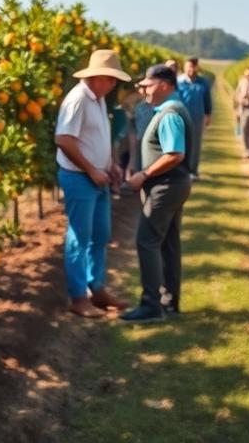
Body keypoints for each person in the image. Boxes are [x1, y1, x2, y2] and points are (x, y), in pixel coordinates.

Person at [54, 49, 132, 318]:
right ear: (98, 77)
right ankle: (78, 297)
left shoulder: (98, 99)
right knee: (79, 237)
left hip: (98, 177)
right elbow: (64, 139)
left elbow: (97, 137)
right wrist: (90, 169)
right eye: (111, 79)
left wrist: (110, 164)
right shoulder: (77, 100)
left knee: (100, 235)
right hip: (79, 178)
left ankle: (96, 288)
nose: (114, 85)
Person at [122, 65, 194, 323]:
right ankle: (169, 300)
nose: (143, 90)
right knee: (168, 243)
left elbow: (175, 154)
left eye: (148, 85)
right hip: (173, 185)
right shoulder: (168, 110)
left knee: (148, 241)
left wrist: (145, 174)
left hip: (166, 186)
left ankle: (151, 305)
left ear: (164, 84)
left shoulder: (170, 113)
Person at [176, 57, 213, 179]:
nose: (190, 69)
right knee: (182, 144)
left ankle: (193, 171)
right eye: (187, 67)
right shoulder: (179, 82)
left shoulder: (203, 82)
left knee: (195, 145)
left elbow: (207, 99)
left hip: (197, 118)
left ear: (196, 67)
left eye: (192, 67)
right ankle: (182, 170)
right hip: (181, 118)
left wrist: (208, 114)